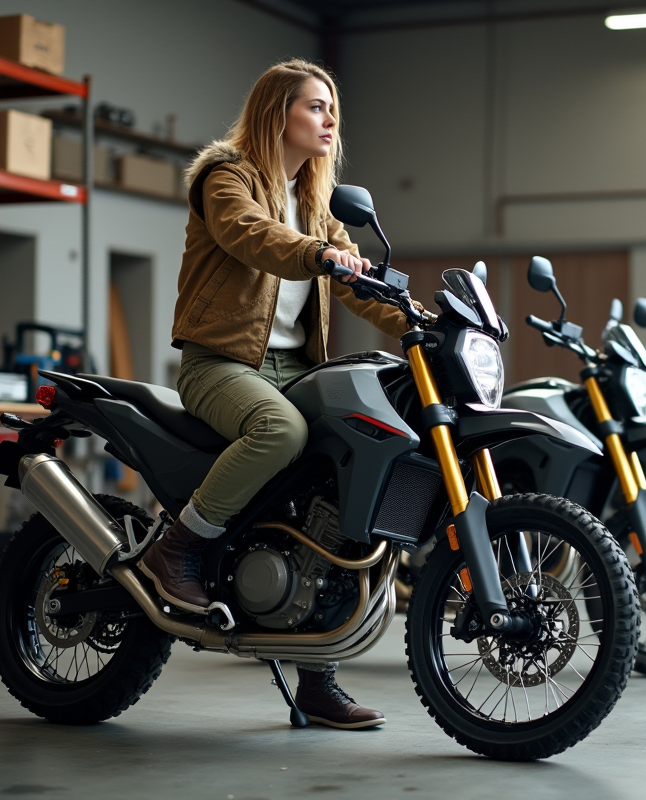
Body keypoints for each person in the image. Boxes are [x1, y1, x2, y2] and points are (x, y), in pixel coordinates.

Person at [140, 59, 418, 730]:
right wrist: (315, 254)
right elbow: (251, 235)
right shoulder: (226, 176)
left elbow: (362, 284)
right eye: (316, 106)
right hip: (222, 364)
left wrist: (421, 324)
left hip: (295, 369)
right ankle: (177, 546)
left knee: (337, 478)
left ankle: (318, 676)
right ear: (277, 112)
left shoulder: (318, 206)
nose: (330, 120)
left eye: (332, 109)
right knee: (282, 433)